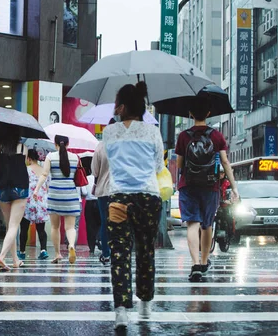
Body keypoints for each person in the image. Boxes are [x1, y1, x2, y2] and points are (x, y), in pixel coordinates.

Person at [101, 82, 164, 330]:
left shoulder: (109, 133)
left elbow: (112, 161)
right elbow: (158, 166)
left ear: (124, 106)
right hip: (148, 197)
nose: (115, 109)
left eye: (117, 104)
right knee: (146, 251)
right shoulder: (153, 132)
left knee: (119, 254)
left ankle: (120, 312)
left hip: (118, 198)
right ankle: (145, 305)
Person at [175, 97, 238, 282]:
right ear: (209, 113)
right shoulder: (216, 136)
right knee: (207, 224)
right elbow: (225, 162)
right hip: (211, 186)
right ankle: (204, 262)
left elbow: (179, 164)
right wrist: (234, 187)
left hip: (188, 185)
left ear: (191, 114)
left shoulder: (184, 136)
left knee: (192, 224)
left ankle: (194, 264)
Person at [33, 135, 80, 264]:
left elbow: (44, 174)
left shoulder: (50, 157)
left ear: (55, 145)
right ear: (68, 144)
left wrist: (36, 189)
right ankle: (71, 245)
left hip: (54, 194)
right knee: (70, 227)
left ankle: (58, 254)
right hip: (70, 193)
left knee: (55, 226)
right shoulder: (75, 158)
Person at [0, 125, 28, 270]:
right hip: (20, 188)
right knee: (14, 226)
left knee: (9, 226)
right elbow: (22, 165)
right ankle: (2, 256)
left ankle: (15, 259)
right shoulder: (23, 147)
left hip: (2, 187)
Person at [18, 149, 49, 261]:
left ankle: (22, 252)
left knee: (24, 228)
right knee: (41, 229)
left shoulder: (25, 170)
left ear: (29, 158)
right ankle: (43, 250)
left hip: (28, 202)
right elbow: (47, 187)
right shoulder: (44, 171)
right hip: (41, 202)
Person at [92, 141, 111, 266]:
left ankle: (106, 254)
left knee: (105, 222)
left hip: (104, 190)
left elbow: (95, 171)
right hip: (122, 190)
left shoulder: (101, 146)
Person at [83, 159, 100, 255]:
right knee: (101, 223)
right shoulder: (101, 177)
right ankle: (99, 238)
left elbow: (84, 192)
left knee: (90, 226)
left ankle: (91, 248)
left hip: (89, 203)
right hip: (99, 202)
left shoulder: (86, 178)